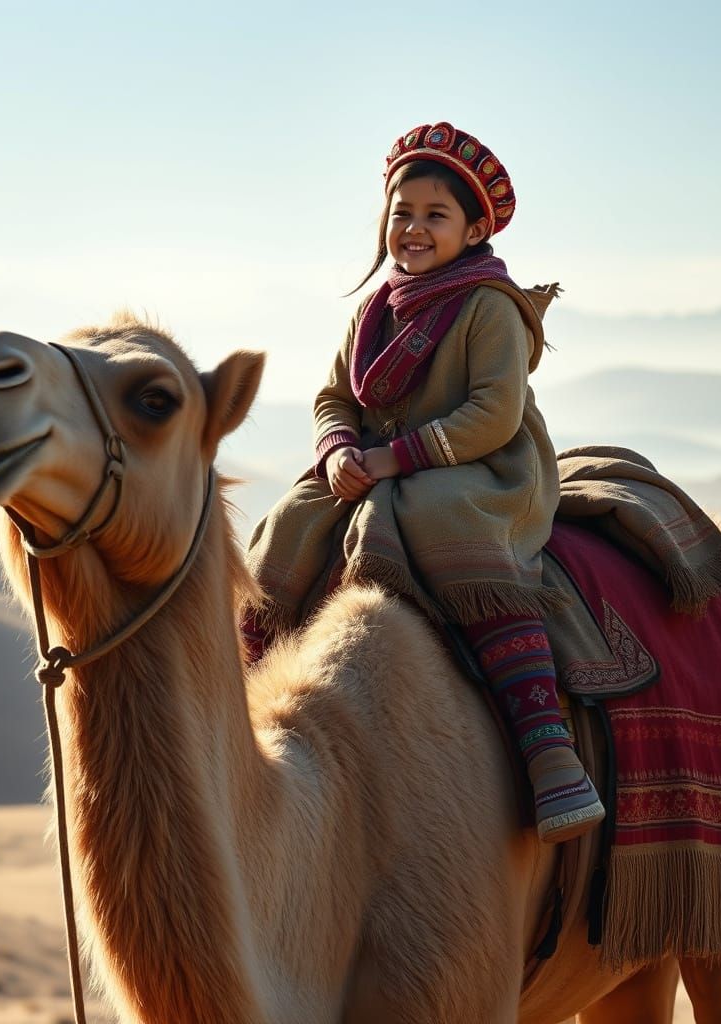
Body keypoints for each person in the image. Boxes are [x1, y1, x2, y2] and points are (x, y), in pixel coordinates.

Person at [243, 122, 604, 843]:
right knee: (292, 516)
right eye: (402, 213)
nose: (413, 229)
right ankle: (241, 687)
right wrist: (341, 447)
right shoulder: (376, 309)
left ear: (474, 229)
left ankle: (546, 747)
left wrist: (397, 457)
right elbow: (332, 397)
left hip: (481, 469)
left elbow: (493, 413)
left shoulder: (489, 308)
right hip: (382, 462)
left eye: (435, 216)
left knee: (442, 519)